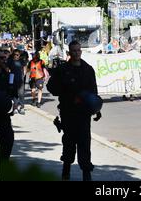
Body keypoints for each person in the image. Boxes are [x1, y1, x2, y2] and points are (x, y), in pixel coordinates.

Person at [47, 41, 102, 181]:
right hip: (68, 112)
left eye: (78, 50)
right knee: (69, 142)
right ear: (69, 53)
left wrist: (97, 109)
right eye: (73, 51)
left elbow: (93, 91)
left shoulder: (88, 69)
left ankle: (86, 173)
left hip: (83, 114)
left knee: (84, 143)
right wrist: (65, 92)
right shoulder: (62, 69)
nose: (76, 53)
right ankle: (66, 170)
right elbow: (51, 87)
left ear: (81, 51)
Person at [7, 49, 26, 115]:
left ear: (19, 55)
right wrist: (9, 79)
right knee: (14, 94)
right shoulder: (10, 61)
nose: (16, 56)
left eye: (17, 55)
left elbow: (24, 68)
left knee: (21, 94)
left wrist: (23, 76)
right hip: (12, 79)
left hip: (20, 79)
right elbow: (7, 69)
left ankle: (22, 107)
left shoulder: (21, 61)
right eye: (15, 54)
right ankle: (15, 108)